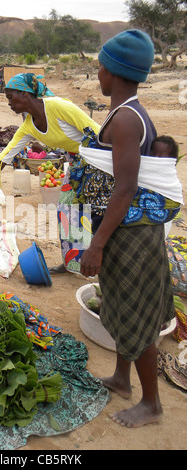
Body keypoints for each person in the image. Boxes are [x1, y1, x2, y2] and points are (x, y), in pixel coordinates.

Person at [79, 30, 181, 428]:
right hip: (130, 230)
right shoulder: (128, 112)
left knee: (136, 316)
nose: (98, 73)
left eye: (101, 67)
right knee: (122, 304)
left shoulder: (124, 119)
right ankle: (122, 379)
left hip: (131, 234)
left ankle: (152, 404)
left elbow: (124, 189)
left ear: (116, 73)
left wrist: (96, 246)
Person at [0, 72, 100, 210]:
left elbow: (100, 135)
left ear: (24, 93)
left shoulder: (57, 106)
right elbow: (2, 160)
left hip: (100, 158)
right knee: (69, 214)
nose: (9, 103)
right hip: (78, 163)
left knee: (91, 213)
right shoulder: (28, 126)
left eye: (10, 97)